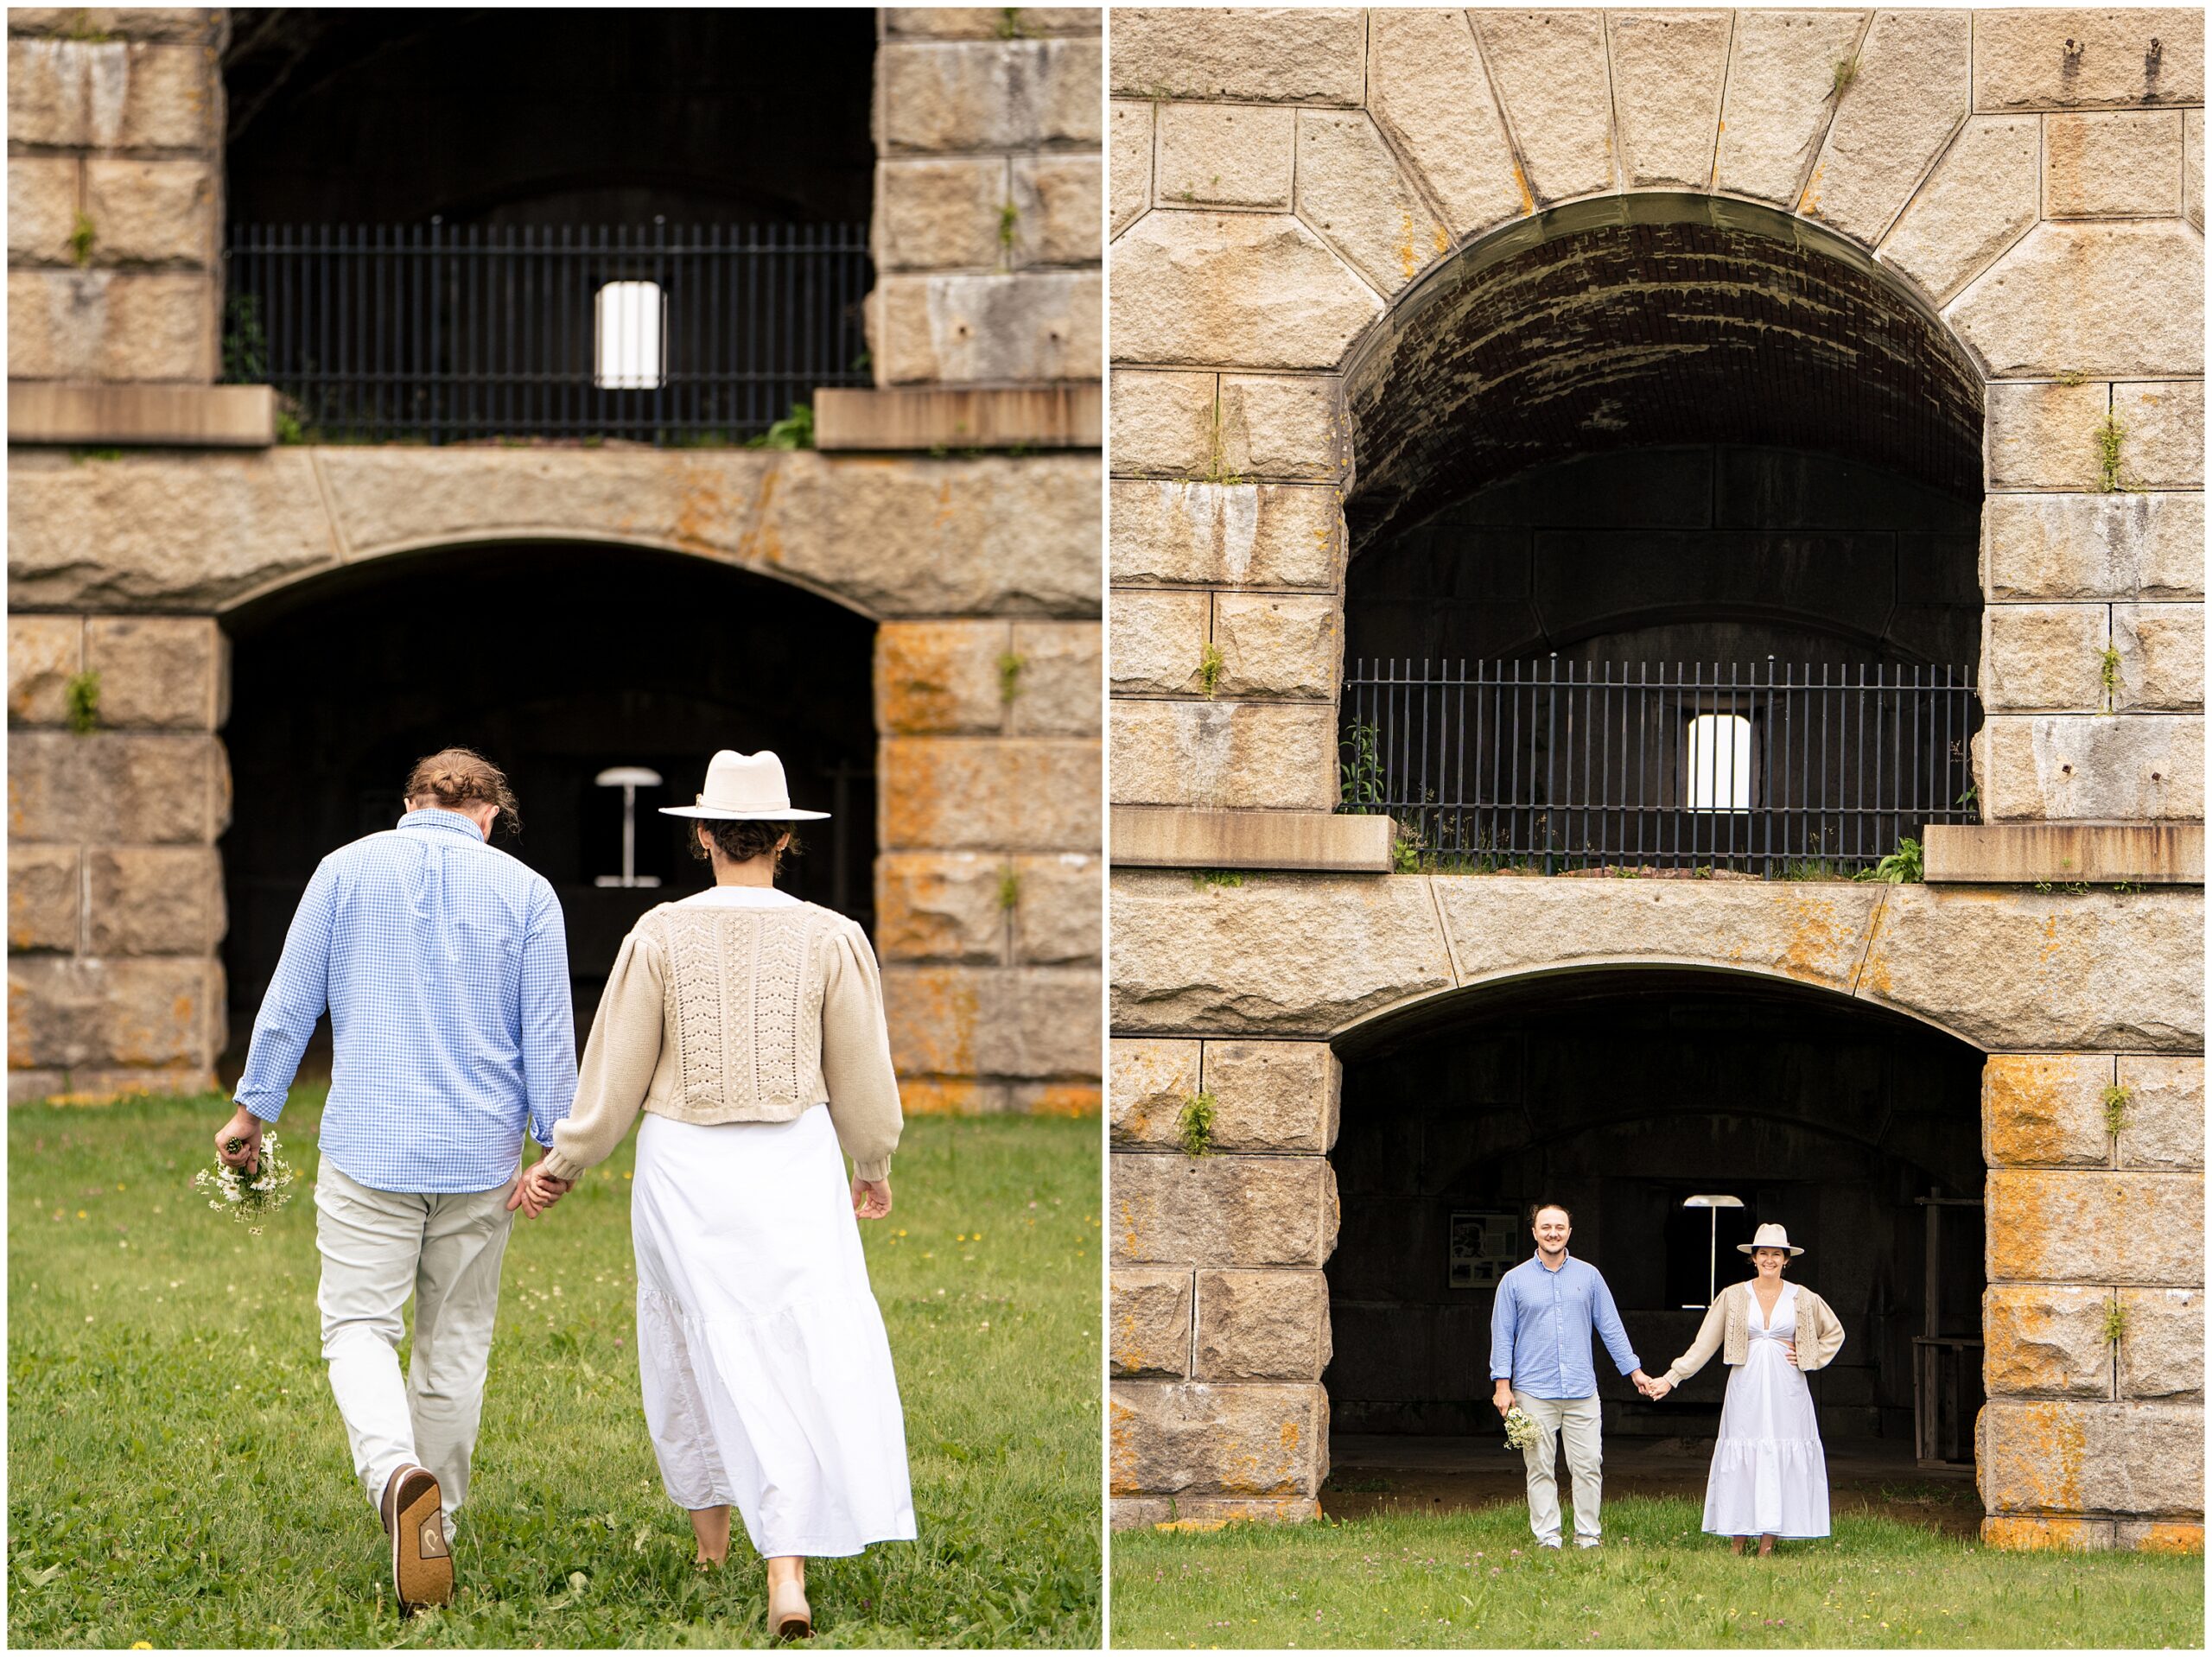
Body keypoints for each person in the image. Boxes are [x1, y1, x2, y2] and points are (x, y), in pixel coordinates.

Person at [537, 748, 912, 1639]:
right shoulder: (831, 936)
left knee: (690, 1336)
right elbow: (861, 1074)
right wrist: (872, 1162)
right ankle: (784, 1566)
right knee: (790, 1344)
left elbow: (615, 1074)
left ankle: (714, 1550)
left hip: (685, 1164)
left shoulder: (659, 934)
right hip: (791, 1160)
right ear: (784, 840)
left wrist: (565, 1161)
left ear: (701, 834)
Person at [215, 747, 577, 1614]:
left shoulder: (343, 871)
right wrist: (554, 1148)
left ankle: (393, 1476)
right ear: (488, 815)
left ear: (411, 802)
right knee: (454, 1342)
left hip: (368, 1145)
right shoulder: (528, 893)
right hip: (479, 1157)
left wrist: (251, 1113)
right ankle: (435, 1522)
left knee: (357, 1329)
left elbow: (290, 999)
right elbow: (548, 1031)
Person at [1641, 1222, 1845, 1556]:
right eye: (1762, 1253)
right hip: (1746, 1386)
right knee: (1744, 1451)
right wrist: (1671, 1377)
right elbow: (1704, 1343)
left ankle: (1768, 1541)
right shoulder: (1734, 1296)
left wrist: (1811, 1355)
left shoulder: (1803, 1297)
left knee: (1780, 1450)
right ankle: (1739, 1538)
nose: (1769, 1259)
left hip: (1787, 1388)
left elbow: (1834, 1333)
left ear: (1786, 1259)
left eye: (1776, 1254)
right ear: (1753, 1258)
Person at [1489, 1202, 1656, 1550]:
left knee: (1589, 1465)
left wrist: (1635, 1371)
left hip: (1582, 1390)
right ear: (1534, 1232)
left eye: (1560, 1227)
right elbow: (1502, 1335)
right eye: (1546, 1227)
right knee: (1539, 1468)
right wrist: (1501, 1386)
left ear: (1569, 1232)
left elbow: (1610, 1327)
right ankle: (1548, 1537)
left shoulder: (1589, 1276)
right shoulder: (1514, 1281)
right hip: (1533, 1391)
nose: (1553, 1233)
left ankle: (1587, 1536)